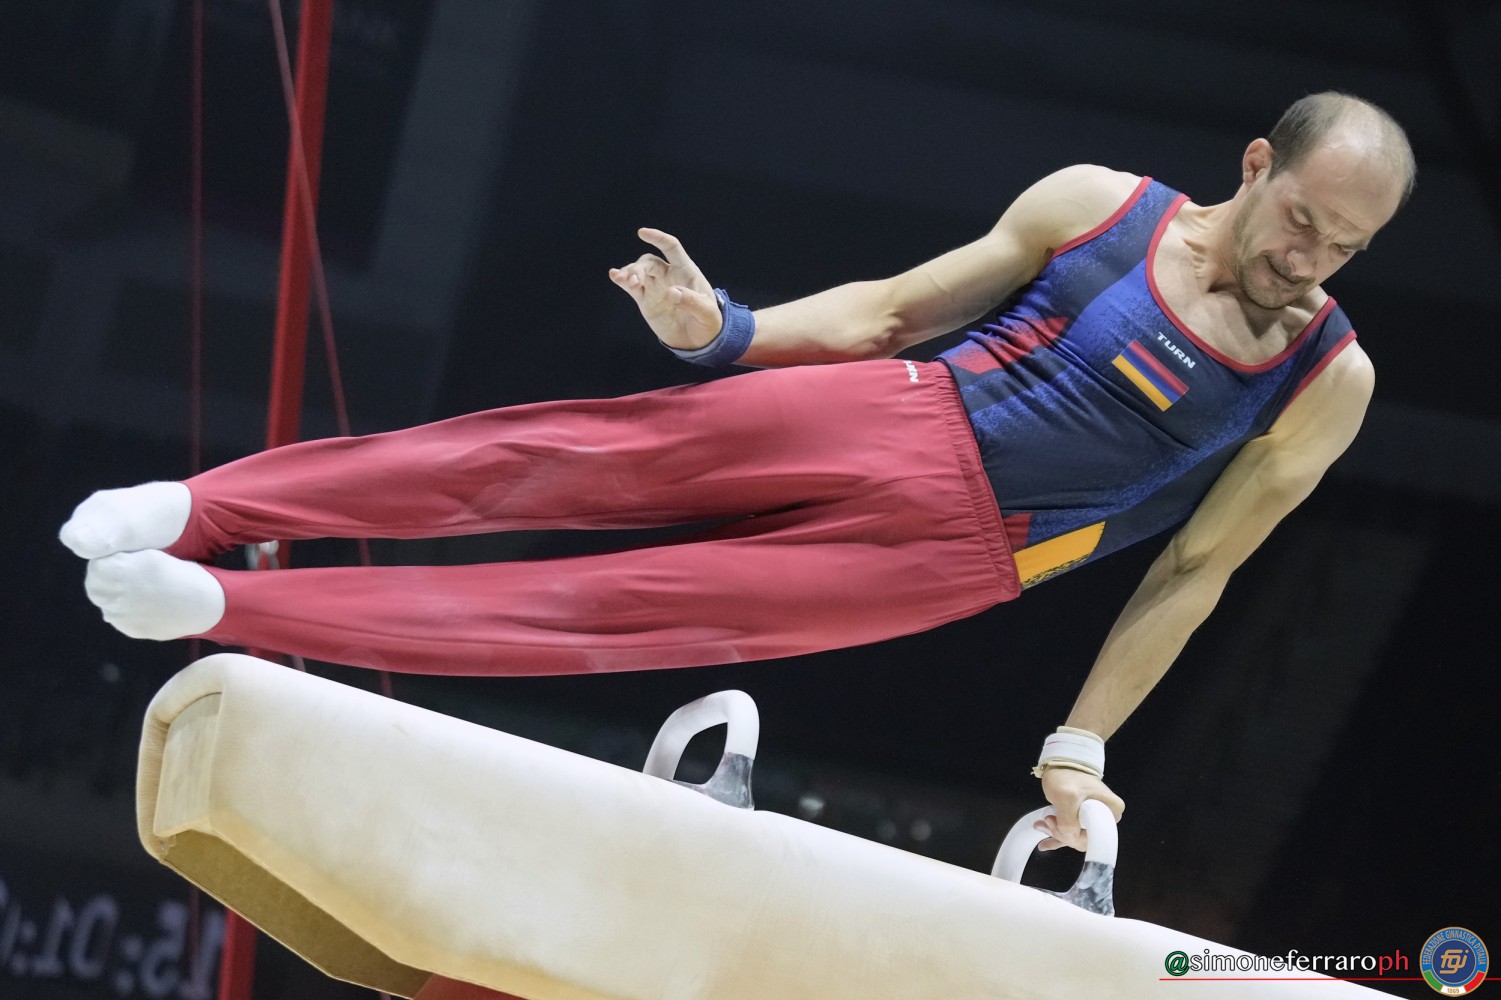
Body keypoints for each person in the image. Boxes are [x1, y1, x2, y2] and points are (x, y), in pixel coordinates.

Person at [61, 92, 1412, 851]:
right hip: (892, 413)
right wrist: (730, 332)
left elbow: (1196, 567)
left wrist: (1079, 744)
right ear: (1256, 165)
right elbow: (890, 311)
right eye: (1299, 219)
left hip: (956, 560)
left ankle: (229, 605)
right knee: (560, 459)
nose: (1306, 262)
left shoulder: (1324, 379)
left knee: (598, 615)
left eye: (1343, 247)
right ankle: (204, 508)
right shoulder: (1098, 206)